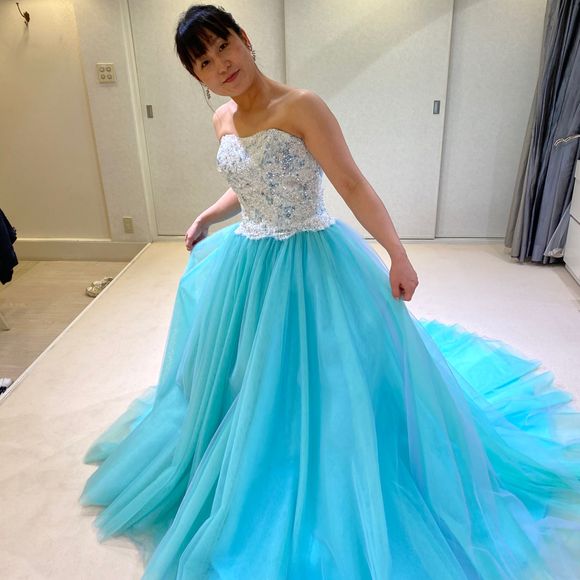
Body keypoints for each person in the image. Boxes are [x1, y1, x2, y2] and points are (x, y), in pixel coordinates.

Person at [80, 5, 580, 579]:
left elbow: (351, 182)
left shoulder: (302, 106)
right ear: (196, 75)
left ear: (244, 38)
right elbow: (250, 184)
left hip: (312, 258)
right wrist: (207, 216)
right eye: (204, 62)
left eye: (223, 47)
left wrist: (397, 253)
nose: (220, 65)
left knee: (333, 375)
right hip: (249, 263)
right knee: (247, 373)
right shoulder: (222, 118)